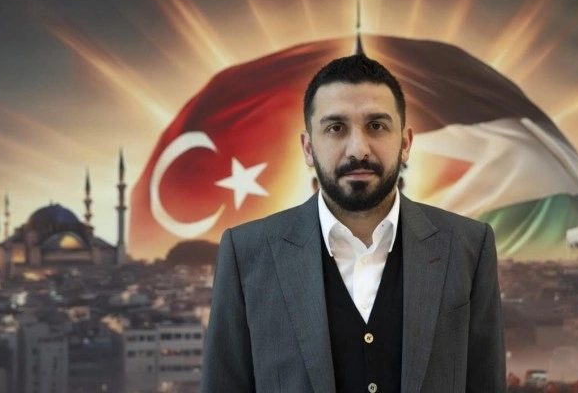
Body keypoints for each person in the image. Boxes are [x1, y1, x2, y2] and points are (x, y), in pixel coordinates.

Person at [201, 54, 506, 393]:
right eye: (336, 128)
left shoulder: (468, 246)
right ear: (308, 147)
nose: (358, 149)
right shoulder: (246, 253)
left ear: (405, 144)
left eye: (376, 126)